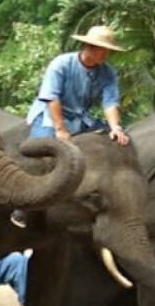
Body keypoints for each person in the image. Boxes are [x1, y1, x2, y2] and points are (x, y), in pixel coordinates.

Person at [12, 24, 131, 227]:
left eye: (107, 50)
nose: (105, 54)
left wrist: (115, 127)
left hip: (81, 118)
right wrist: (60, 129)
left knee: (116, 143)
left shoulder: (108, 72)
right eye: (102, 49)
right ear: (88, 47)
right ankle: (23, 207)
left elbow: (110, 101)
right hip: (52, 115)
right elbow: (52, 97)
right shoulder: (62, 64)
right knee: (42, 153)